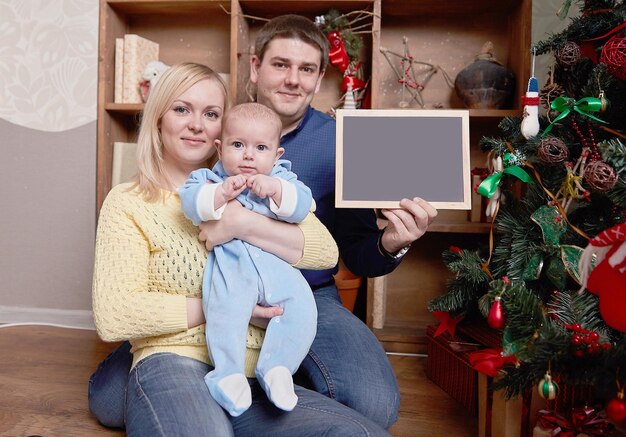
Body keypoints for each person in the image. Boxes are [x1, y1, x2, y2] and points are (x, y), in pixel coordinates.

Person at [89, 14, 437, 432]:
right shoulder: (204, 168)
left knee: (372, 407)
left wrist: (391, 241)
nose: (293, 79)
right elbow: (119, 310)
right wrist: (226, 308)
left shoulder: (335, 144)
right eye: (280, 65)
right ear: (255, 68)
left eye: (306, 69)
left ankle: (257, 386)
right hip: (210, 308)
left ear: (319, 76)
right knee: (128, 393)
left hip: (307, 293)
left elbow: (341, 251)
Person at [178, 102, 317, 416]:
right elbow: (190, 202)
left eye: (261, 147)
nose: (248, 155)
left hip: (278, 271)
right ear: (220, 148)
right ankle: (227, 375)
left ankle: (277, 368)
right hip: (232, 269)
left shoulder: (282, 178)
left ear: (277, 155)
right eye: (237, 145)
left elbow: (302, 204)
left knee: (303, 309)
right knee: (225, 313)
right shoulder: (208, 179)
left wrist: (276, 189)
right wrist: (220, 194)